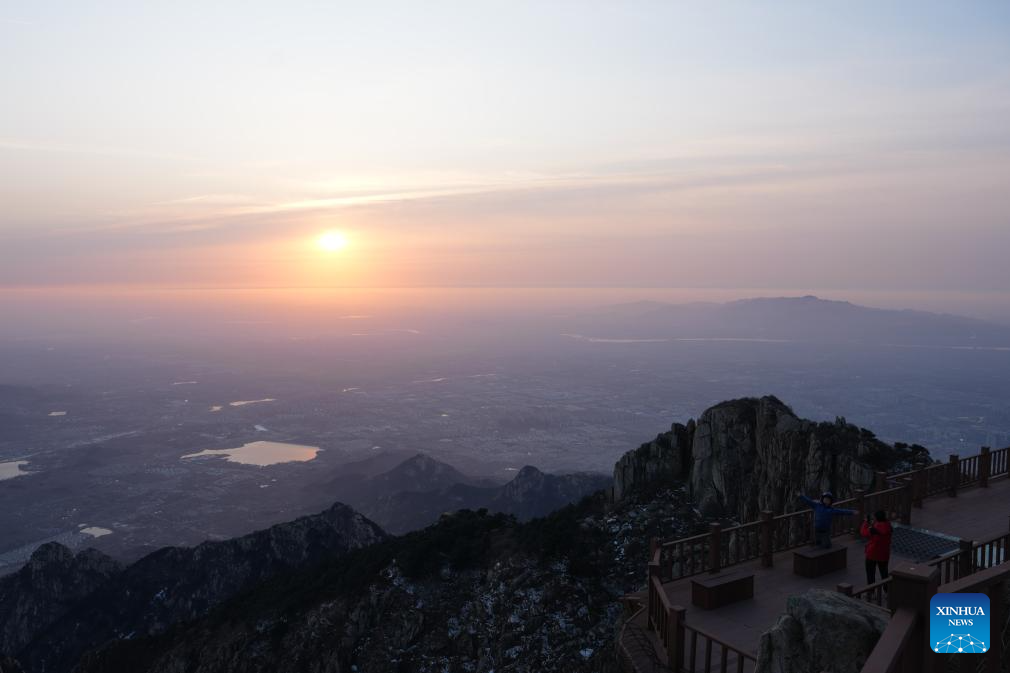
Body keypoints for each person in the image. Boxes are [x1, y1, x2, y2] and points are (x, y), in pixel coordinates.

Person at [860, 510, 893, 584]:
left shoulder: (874, 529)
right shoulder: (888, 526)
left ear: (876, 518)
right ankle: (887, 589)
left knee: (870, 574)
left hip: (872, 553)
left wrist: (865, 522)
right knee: (884, 573)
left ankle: (871, 591)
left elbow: (863, 533)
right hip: (884, 554)